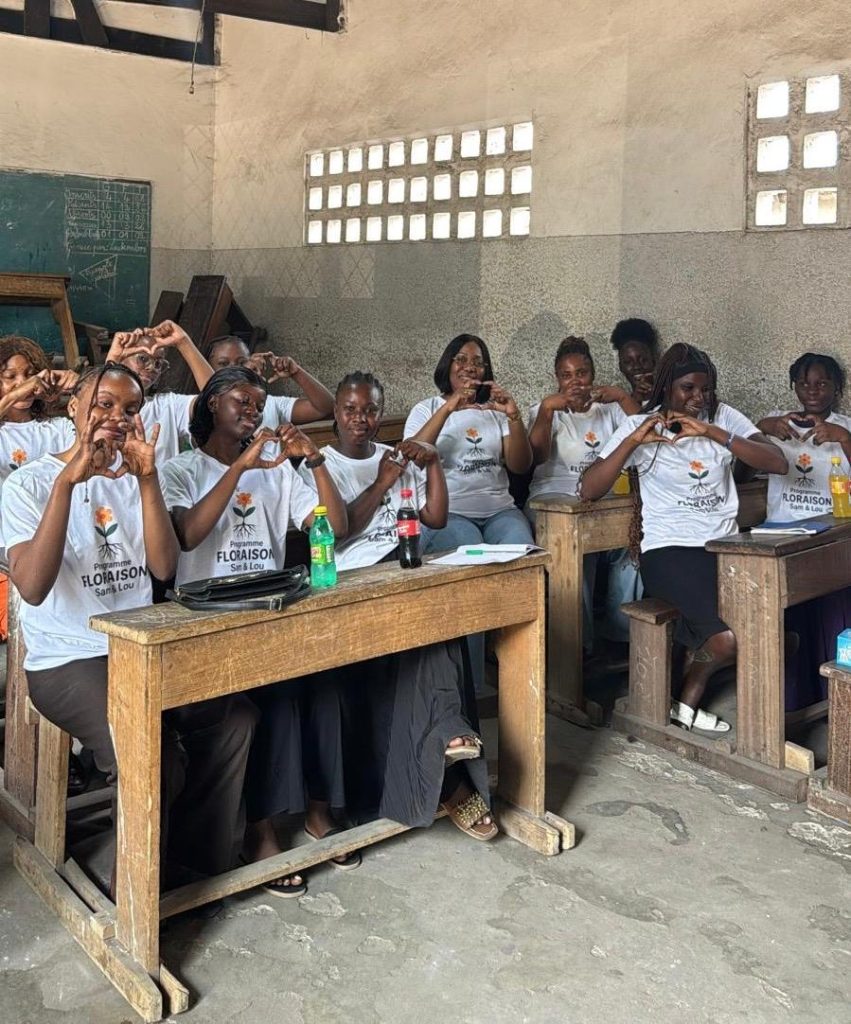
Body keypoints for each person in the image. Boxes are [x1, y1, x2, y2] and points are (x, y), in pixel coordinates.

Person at [1, 363, 257, 887]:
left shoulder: (137, 476)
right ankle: (135, 897)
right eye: (104, 404)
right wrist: (68, 483)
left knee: (235, 718)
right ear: (74, 407)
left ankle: (196, 863)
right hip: (69, 659)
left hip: (138, 645)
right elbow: (32, 586)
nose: (116, 417)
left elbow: (163, 566)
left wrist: (147, 478)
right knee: (146, 749)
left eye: (130, 408)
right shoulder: (29, 483)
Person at [160, 366, 348, 896]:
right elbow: (187, 536)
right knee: (263, 701)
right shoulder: (180, 469)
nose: (253, 410)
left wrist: (313, 461)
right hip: (206, 620)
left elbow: (331, 527)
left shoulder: (278, 471)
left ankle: (315, 811)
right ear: (211, 404)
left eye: (260, 404)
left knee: (322, 684)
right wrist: (242, 466)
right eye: (242, 400)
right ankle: (260, 831)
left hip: (267, 610)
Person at [296, 371, 496, 841]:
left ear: (380, 414)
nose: (360, 419)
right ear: (335, 413)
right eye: (350, 409)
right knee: (425, 636)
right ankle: (449, 765)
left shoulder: (395, 457)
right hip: (351, 583)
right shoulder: (319, 466)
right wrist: (382, 482)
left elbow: (436, 517)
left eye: (370, 410)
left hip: (402, 571)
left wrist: (433, 464)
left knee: (442, 629)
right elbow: (338, 532)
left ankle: (447, 747)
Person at [580, 343, 788, 733]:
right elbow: (589, 489)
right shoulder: (642, 424)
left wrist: (712, 432)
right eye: (688, 388)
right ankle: (690, 695)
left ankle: (680, 700)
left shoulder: (721, 416)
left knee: (768, 629)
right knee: (728, 639)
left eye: (705, 389)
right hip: (669, 550)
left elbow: (777, 462)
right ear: (667, 388)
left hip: (725, 547)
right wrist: (633, 441)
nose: (698, 398)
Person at [404, 334, 533, 690]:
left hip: (498, 510)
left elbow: (520, 466)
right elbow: (413, 453)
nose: (470, 367)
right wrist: (449, 407)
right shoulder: (427, 408)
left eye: (478, 362)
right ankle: (471, 687)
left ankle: (521, 674)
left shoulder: (494, 412)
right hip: (449, 515)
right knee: (472, 556)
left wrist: (513, 416)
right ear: (447, 366)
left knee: (523, 552)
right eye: (461, 359)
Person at [526, 337, 642, 653]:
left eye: (582, 373)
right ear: (557, 378)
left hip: (602, 500)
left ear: (593, 374)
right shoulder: (545, 409)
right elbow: (534, 457)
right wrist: (547, 410)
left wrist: (622, 396)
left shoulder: (610, 409)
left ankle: (620, 633)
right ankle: (581, 646)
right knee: (575, 554)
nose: (575, 382)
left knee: (634, 543)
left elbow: (646, 429)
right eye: (567, 375)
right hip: (553, 499)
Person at [757, 352, 851, 709]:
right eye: (804, 383)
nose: (812, 390)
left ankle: (834, 698)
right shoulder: (779, 425)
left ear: (836, 387)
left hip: (831, 535)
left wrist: (843, 438)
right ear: (793, 386)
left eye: (822, 383)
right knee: (789, 618)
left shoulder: (844, 426)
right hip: (780, 535)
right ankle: (795, 699)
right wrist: (762, 428)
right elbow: (740, 472)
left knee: (832, 610)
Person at [0, 335, 78, 639]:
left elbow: (90, 435)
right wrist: (14, 394)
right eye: (10, 376)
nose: (23, 383)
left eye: (30, 374)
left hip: (54, 544)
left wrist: (78, 388)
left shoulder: (57, 429)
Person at [104, 320, 213, 462]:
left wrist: (183, 342)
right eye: (143, 358)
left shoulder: (168, 406)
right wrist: (112, 360)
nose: (152, 368)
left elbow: (218, 397)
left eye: (158, 363)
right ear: (122, 357)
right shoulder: (98, 406)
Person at [208, 335, 334, 426]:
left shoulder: (270, 404)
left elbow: (326, 408)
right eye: (223, 364)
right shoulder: (202, 406)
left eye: (242, 362)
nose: (234, 369)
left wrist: (296, 372)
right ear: (208, 365)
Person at [609, 318, 660, 406]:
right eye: (628, 362)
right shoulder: (619, 408)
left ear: (653, 361)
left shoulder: (671, 401)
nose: (637, 367)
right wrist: (635, 402)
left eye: (643, 360)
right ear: (621, 367)